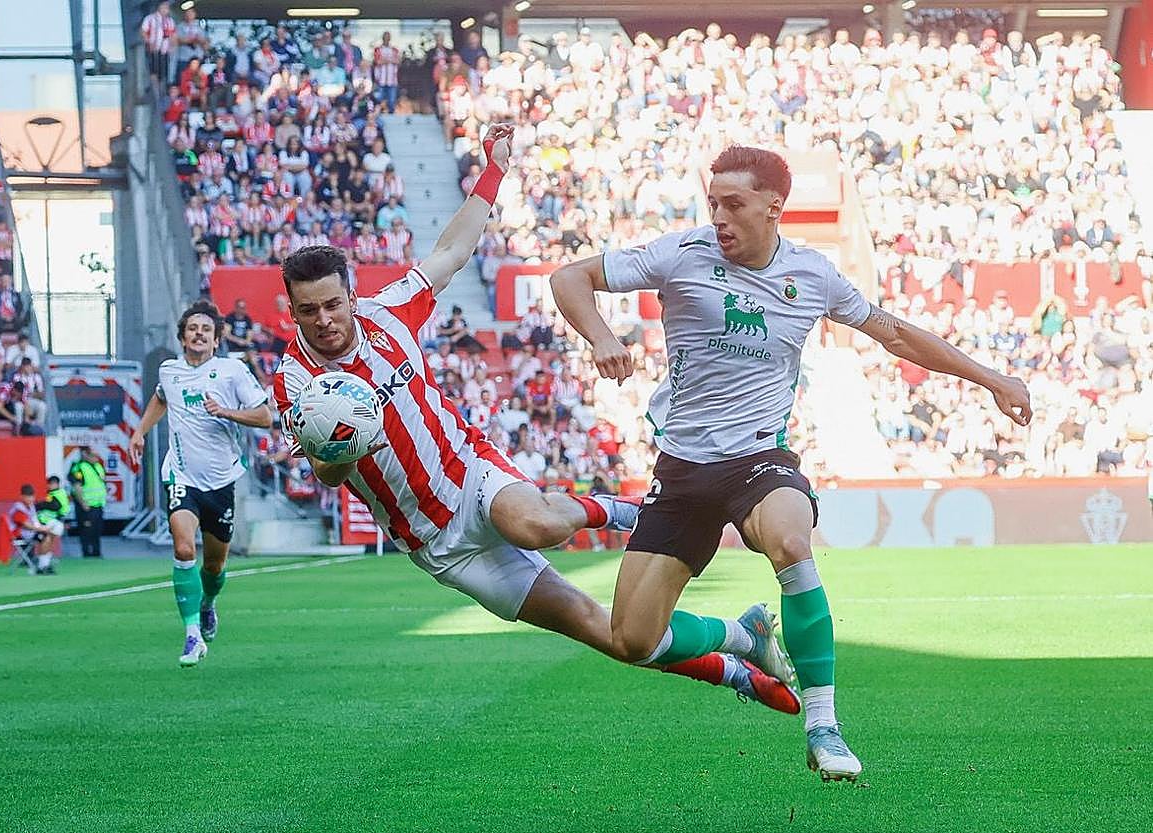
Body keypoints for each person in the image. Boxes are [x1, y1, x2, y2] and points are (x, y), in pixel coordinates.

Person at [273, 125, 800, 716]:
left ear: (351, 294)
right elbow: (324, 472)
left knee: (537, 526)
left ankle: (630, 512)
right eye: (308, 310)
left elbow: (451, 252)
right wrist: (343, 442)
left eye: (332, 304)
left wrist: (493, 169)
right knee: (610, 635)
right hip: (436, 541)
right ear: (291, 310)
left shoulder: (388, 314)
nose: (324, 320)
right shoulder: (294, 380)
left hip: (468, 473)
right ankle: (738, 648)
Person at [550, 145, 1033, 782]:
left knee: (788, 539)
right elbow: (568, 278)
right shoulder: (681, 254)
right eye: (713, 202)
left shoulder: (813, 275)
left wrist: (989, 376)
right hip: (683, 466)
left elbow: (896, 333)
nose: (718, 216)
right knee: (634, 641)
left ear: (774, 207)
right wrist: (603, 337)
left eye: (734, 204)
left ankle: (824, 724)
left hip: (759, 459)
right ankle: (742, 639)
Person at [130, 300, 272, 667]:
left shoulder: (232, 372)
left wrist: (226, 412)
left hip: (222, 480)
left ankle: (208, 604)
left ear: (215, 340)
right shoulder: (169, 371)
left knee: (214, 566)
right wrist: (140, 431)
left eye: (206, 330)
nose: (198, 334)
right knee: (182, 550)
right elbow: (161, 399)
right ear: (183, 336)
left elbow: (265, 416)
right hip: (181, 475)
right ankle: (192, 636)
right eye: (193, 328)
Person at [7, 484, 57, 574]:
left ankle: (44, 564)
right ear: (22, 496)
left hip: (29, 533)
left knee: (50, 535)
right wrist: (42, 529)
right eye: (28, 497)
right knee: (44, 536)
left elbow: (35, 522)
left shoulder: (31, 507)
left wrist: (44, 528)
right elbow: (26, 525)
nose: (31, 499)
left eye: (32, 496)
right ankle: (42, 565)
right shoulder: (19, 508)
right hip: (19, 535)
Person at [68, 446, 107, 558]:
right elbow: (77, 487)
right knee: (86, 530)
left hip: (98, 504)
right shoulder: (79, 467)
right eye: (94, 455)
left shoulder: (98, 466)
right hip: (86, 505)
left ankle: (96, 552)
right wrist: (83, 502)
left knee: (97, 529)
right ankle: (87, 552)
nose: (96, 458)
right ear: (86, 455)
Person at [35, 475, 71, 541]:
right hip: (54, 519)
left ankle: (44, 551)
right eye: (48, 484)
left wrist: (39, 506)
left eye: (51, 484)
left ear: (56, 484)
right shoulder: (59, 492)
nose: (49, 486)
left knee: (44, 538)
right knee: (47, 537)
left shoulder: (55, 494)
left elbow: (55, 506)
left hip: (50, 519)